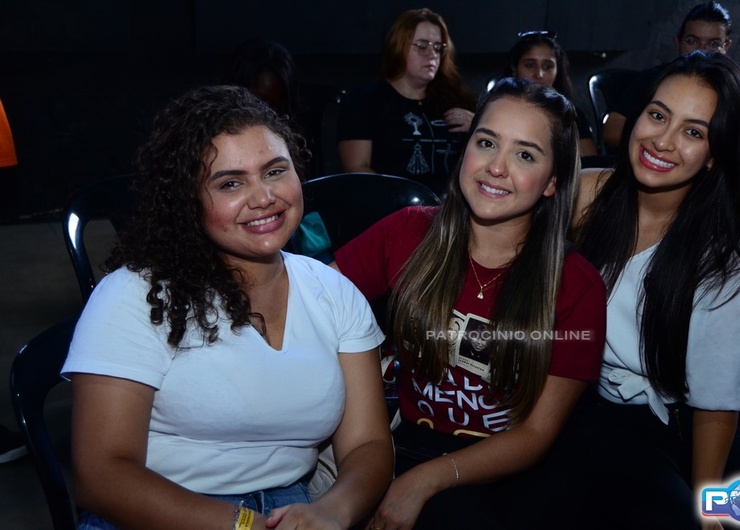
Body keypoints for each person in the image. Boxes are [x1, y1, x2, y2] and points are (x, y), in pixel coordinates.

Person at [61, 85, 393, 529]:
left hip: (292, 507)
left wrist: (332, 512)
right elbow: (101, 475)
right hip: (158, 512)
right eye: (230, 183)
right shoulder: (135, 295)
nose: (263, 197)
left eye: (275, 171)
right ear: (188, 201)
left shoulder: (334, 292)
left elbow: (369, 444)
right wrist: (247, 525)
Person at [332, 77, 607, 529]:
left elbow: (536, 433)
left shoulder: (577, 285)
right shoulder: (407, 232)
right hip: (403, 444)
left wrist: (427, 480)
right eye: (486, 142)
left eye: (525, 155)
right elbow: (316, 306)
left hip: (511, 469)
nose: (496, 167)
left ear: (552, 182)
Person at [560, 51, 740, 529]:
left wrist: (708, 509)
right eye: (658, 115)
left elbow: (717, 394)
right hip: (607, 418)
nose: (662, 141)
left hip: (714, 425)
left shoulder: (727, 240)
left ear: (715, 154)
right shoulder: (584, 196)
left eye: (693, 132)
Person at [337, 8, 476, 195]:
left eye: (437, 47)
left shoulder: (457, 99)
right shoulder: (364, 101)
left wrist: (478, 127)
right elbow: (356, 169)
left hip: (451, 205)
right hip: (392, 205)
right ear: (399, 46)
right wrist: (405, 200)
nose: (432, 54)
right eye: (422, 46)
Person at [602, 1, 733, 150]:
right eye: (692, 41)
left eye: (713, 44)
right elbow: (611, 130)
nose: (701, 51)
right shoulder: (653, 79)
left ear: (726, 47)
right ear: (679, 42)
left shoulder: (733, 90)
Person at [505, 30, 598, 158]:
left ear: (557, 71)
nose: (539, 74)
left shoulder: (571, 113)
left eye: (547, 67)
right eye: (530, 65)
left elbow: (589, 160)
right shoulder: (499, 110)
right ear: (514, 69)